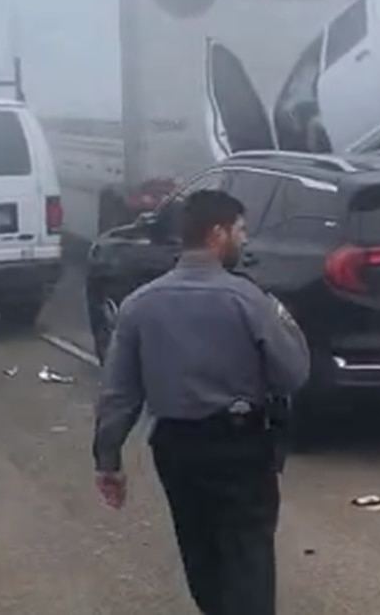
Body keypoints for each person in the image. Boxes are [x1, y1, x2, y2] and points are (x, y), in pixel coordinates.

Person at [92, 189, 311, 615]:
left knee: (201, 549)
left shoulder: (140, 305)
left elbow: (118, 393)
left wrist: (108, 459)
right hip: (241, 447)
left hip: (176, 449)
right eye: (240, 231)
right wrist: (285, 322)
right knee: (248, 554)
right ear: (217, 233)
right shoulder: (247, 299)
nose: (244, 241)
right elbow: (294, 374)